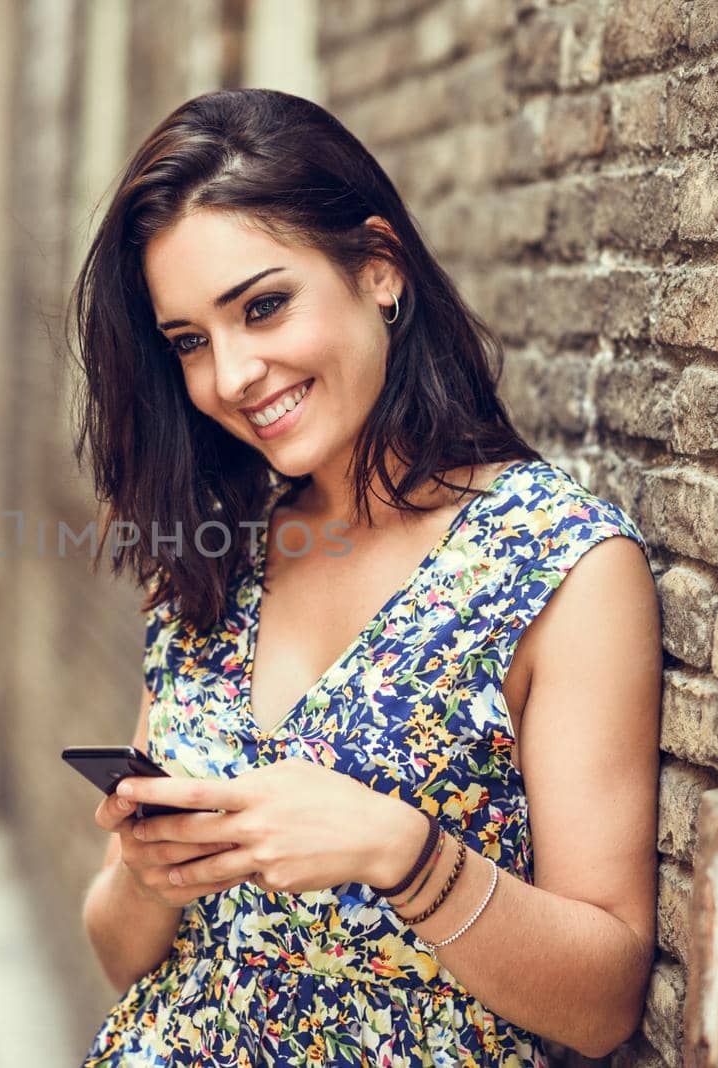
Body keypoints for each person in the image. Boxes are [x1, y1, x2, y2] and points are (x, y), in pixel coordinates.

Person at [66, 88, 661, 1066]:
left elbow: (601, 1001)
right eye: (189, 343)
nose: (232, 375)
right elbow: (122, 953)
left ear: (378, 270)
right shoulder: (218, 557)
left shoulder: (558, 564)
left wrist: (404, 854)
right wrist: (145, 873)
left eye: (262, 307)